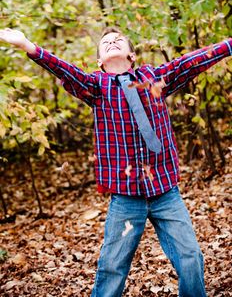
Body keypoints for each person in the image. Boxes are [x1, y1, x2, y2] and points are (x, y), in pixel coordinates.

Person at [0, 27, 231, 297]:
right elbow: (65, 71)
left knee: (191, 257)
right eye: (105, 42)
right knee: (112, 266)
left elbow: (190, 62)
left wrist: (229, 45)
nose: (111, 42)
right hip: (126, 198)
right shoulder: (96, 87)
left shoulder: (153, 77)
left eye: (118, 40)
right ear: (99, 61)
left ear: (131, 54)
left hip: (165, 192)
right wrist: (29, 46)